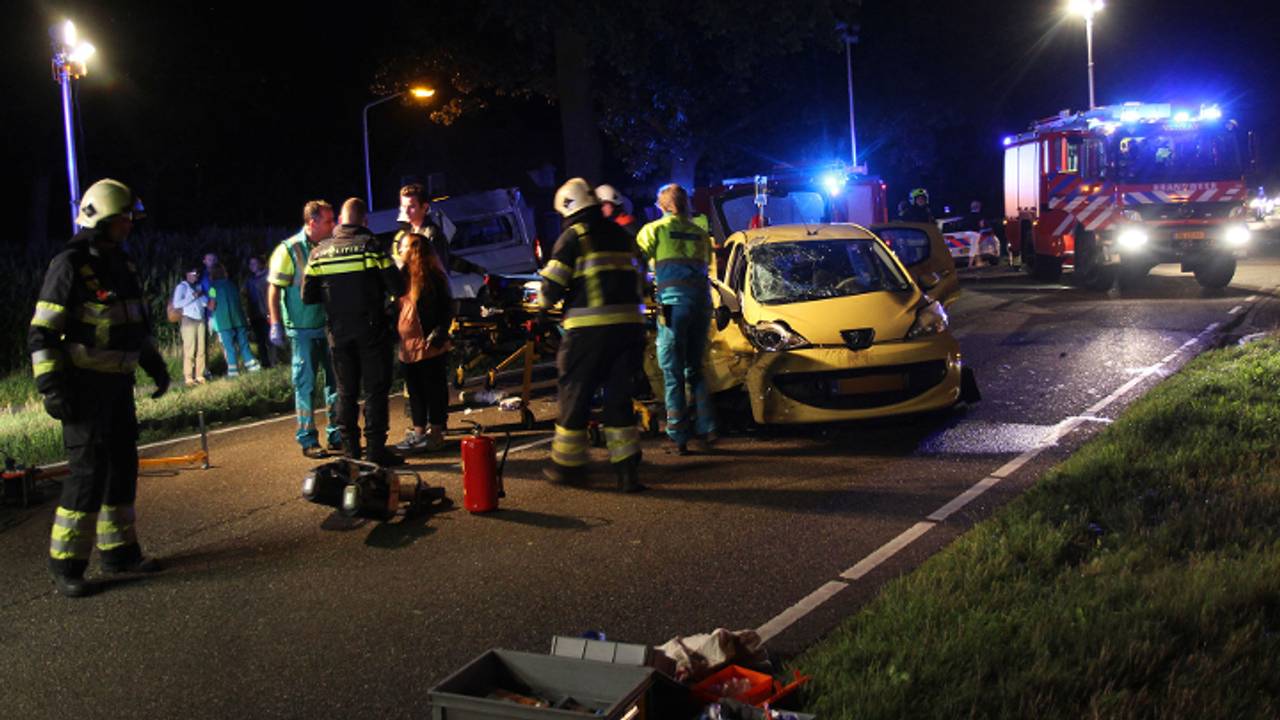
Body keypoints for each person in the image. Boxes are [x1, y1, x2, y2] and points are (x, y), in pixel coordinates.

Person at [29, 178, 170, 598]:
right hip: (82, 387)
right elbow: (42, 332)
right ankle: (66, 566)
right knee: (88, 473)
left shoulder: (121, 264)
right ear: (102, 220)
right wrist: (51, 386)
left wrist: (153, 365)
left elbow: (134, 323)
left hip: (117, 385)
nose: (129, 226)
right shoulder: (69, 265)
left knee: (122, 467)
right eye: (122, 219)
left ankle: (120, 553)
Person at [538, 178, 646, 492]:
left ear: (567, 210)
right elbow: (642, 278)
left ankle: (567, 467)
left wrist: (542, 309)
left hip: (588, 334)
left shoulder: (574, 237)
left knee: (575, 395)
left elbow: (552, 286)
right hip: (630, 330)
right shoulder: (622, 234)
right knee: (619, 400)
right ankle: (627, 472)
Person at [302, 198, 405, 467]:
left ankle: (350, 452)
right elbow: (398, 287)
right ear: (364, 221)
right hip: (371, 331)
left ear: (340, 220)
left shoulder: (318, 253)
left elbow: (308, 296)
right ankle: (375, 451)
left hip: (338, 332)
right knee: (374, 390)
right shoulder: (370, 246)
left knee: (345, 391)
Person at [636, 183, 718, 454]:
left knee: (671, 370)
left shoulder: (654, 230)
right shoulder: (700, 233)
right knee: (695, 368)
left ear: (662, 206)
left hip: (673, 306)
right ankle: (707, 427)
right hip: (702, 305)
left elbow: (636, 263)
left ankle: (678, 434)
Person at [268, 200, 342, 459]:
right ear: (312, 222)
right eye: (329, 221)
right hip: (302, 330)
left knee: (336, 382)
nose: (334, 225)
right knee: (305, 385)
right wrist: (275, 324)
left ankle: (337, 434)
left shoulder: (330, 245)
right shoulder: (289, 250)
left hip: (328, 326)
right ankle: (308, 439)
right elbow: (274, 288)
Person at [393, 233, 453, 454]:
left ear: (415, 250)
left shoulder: (433, 277)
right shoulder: (401, 276)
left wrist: (439, 332)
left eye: (404, 246)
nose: (400, 250)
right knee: (414, 390)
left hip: (428, 344)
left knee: (434, 388)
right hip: (407, 345)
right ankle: (419, 433)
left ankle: (436, 433)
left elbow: (447, 308)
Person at [207, 261, 261, 378]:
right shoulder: (232, 284)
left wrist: (206, 305)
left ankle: (233, 371)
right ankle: (253, 366)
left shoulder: (213, 288)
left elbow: (212, 305)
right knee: (244, 344)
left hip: (224, 322)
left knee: (229, 347)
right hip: (238, 319)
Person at [172, 265, 209, 386]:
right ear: (187, 274)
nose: (196, 276)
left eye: (197, 274)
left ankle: (200, 375)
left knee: (201, 349)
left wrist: (204, 298)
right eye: (193, 274)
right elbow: (177, 304)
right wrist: (194, 296)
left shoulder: (198, 286)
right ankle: (188, 377)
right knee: (190, 349)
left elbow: (204, 302)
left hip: (200, 319)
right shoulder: (182, 287)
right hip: (188, 319)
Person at [244, 255, 279, 368]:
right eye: (250, 264)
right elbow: (247, 297)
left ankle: (274, 361)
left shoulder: (268, 277)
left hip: (267, 312)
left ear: (260, 263)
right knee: (260, 340)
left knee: (270, 338)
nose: (252, 266)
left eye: (254, 263)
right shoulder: (249, 280)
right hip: (255, 313)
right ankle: (265, 363)